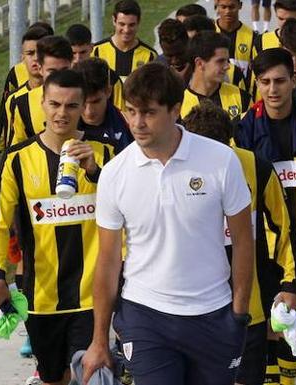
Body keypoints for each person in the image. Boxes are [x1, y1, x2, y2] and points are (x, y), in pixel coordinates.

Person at [81, 62, 254, 385]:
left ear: (175, 110)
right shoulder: (115, 174)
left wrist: (239, 314)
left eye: (148, 112)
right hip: (145, 316)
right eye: (131, 111)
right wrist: (99, 338)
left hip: (214, 315)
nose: (137, 123)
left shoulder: (221, 160)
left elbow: (244, 240)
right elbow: (106, 261)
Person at [0, 69, 114, 385]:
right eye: (54, 104)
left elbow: (130, 209)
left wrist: (96, 173)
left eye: (71, 105)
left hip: (92, 295)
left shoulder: (106, 153)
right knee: (54, 378)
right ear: (42, 103)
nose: (61, 113)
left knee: (90, 375)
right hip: (42, 297)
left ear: (84, 107)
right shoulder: (16, 159)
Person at [235, 47, 296, 385]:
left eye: (280, 80)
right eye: (264, 82)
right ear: (256, 85)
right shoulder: (244, 129)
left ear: (294, 81)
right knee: (268, 325)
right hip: (265, 245)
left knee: (294, 320)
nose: (272, 89)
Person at [184, 100, 296, 385]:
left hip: (248, 307)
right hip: (191, 307)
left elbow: (285, 230)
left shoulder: (256, 167)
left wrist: (291, 284)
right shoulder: (174, 170)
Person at [0, 25, 52, 168]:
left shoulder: (66, 92)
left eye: (40, 52)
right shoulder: (15, 96)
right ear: (22, 56)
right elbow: (6, 123)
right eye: (30, 53)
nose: (36, 58)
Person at [8, 35, 73, 146]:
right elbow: (17, 148)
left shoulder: (86, 99)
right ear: (40, 69)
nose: (59, 77)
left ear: (72, 66)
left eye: (64, 70)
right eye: (52, 72)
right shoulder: (22, 103)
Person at [180, 31, 251, 121]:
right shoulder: (178, 106)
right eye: (220, 61)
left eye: (227, 61)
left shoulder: (242, 97)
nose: (227, 66)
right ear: (200, 63)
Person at [73, 58, 133, 154]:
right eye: (83, 103)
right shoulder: (60, 128)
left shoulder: (130, 124)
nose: (89, 112)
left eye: (96, 102)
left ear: (108, 91)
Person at [92, 0, 157, 82]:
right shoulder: (96, 51)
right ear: (114, 20)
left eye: (131, 25)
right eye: (122, 24)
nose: (126, 30)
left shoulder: (150, 56)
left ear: (139, 22)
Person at [66, 24, 125, 111]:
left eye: (83, 52)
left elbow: (121, 114)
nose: (78, 59)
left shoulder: (111, 78)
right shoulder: (60, 77)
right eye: (73, 53)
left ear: (91, 48)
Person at [214, 0, 256, 78]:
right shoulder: (210, 32)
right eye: (223, 7)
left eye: (232, 7)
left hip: (242, 88)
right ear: (217, 5)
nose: (227, 11)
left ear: (240, 5)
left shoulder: (253, 36)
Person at [156, 18, 193, 84]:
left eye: (180, 54)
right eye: (169, 56)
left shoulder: (206, 62)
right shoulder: (157, 69)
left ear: (189, 43)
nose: (175, 61)